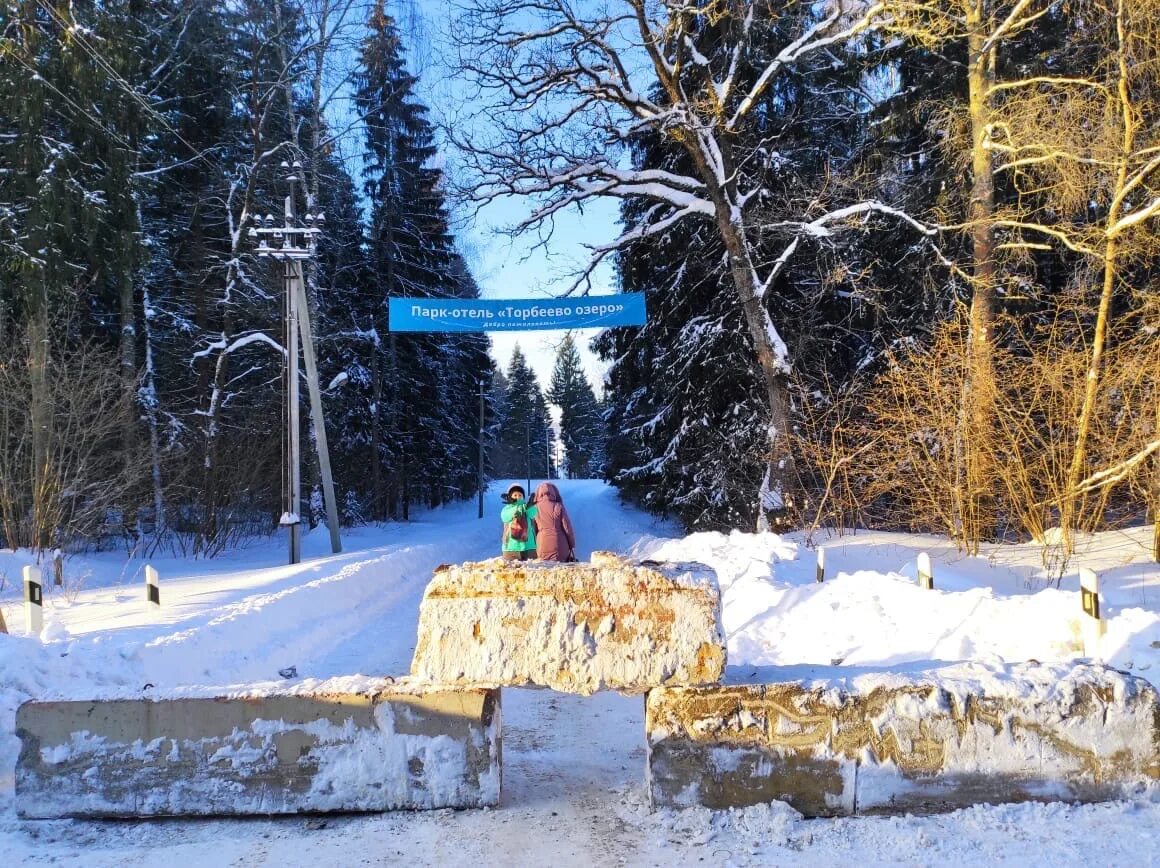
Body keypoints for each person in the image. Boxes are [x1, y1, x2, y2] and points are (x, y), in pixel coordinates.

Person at [532, 481, 576, 562]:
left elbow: (533, 529)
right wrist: (572, 544)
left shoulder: (534, 508)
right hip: (560, 545)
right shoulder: (558, 506)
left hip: (542, 544)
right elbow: (567, 527)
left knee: (544, 570)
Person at [500, 483, 538, 561]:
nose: (518, 497)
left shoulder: (527, 507)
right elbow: (505, 517)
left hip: (529, 546)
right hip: (511, 547)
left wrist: (529, 507)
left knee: (530, 570)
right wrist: (517, 506)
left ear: (523, 497)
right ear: (510, 497)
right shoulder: (507, 509)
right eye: (515, 495)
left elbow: (533, 514)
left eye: (520, 495)